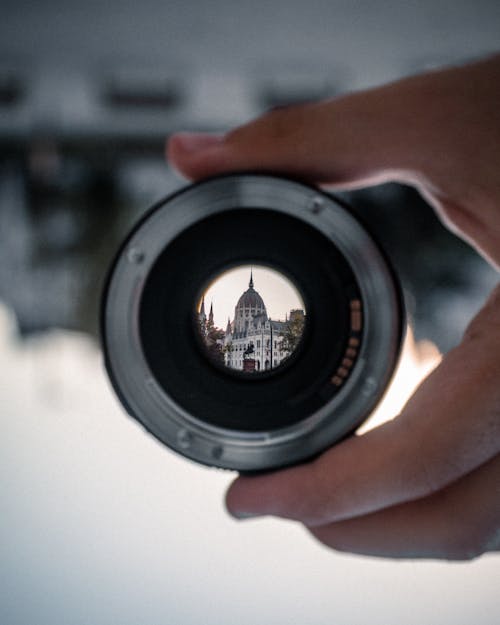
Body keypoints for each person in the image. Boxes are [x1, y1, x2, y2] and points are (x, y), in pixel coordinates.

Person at [167, 54, 500, 560]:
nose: (249, 333)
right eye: (247, 329)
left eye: (252, 327)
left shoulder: (262, 331)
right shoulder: (250, 334)